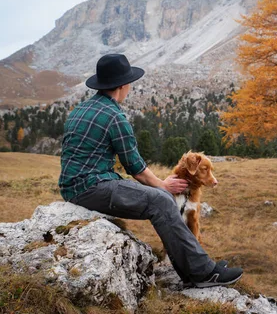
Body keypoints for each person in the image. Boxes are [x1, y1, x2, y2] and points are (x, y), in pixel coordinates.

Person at [58, 53, 243, 288]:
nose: (130, 88)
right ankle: (203, 273)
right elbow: (137, 169)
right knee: (162, 201)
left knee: (159, 199)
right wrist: (164, 185)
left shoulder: (80, 109)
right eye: (129, 84)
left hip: (73, 185)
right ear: (123, 85)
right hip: (91, 187)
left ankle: (196, 267)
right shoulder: (115, 117)